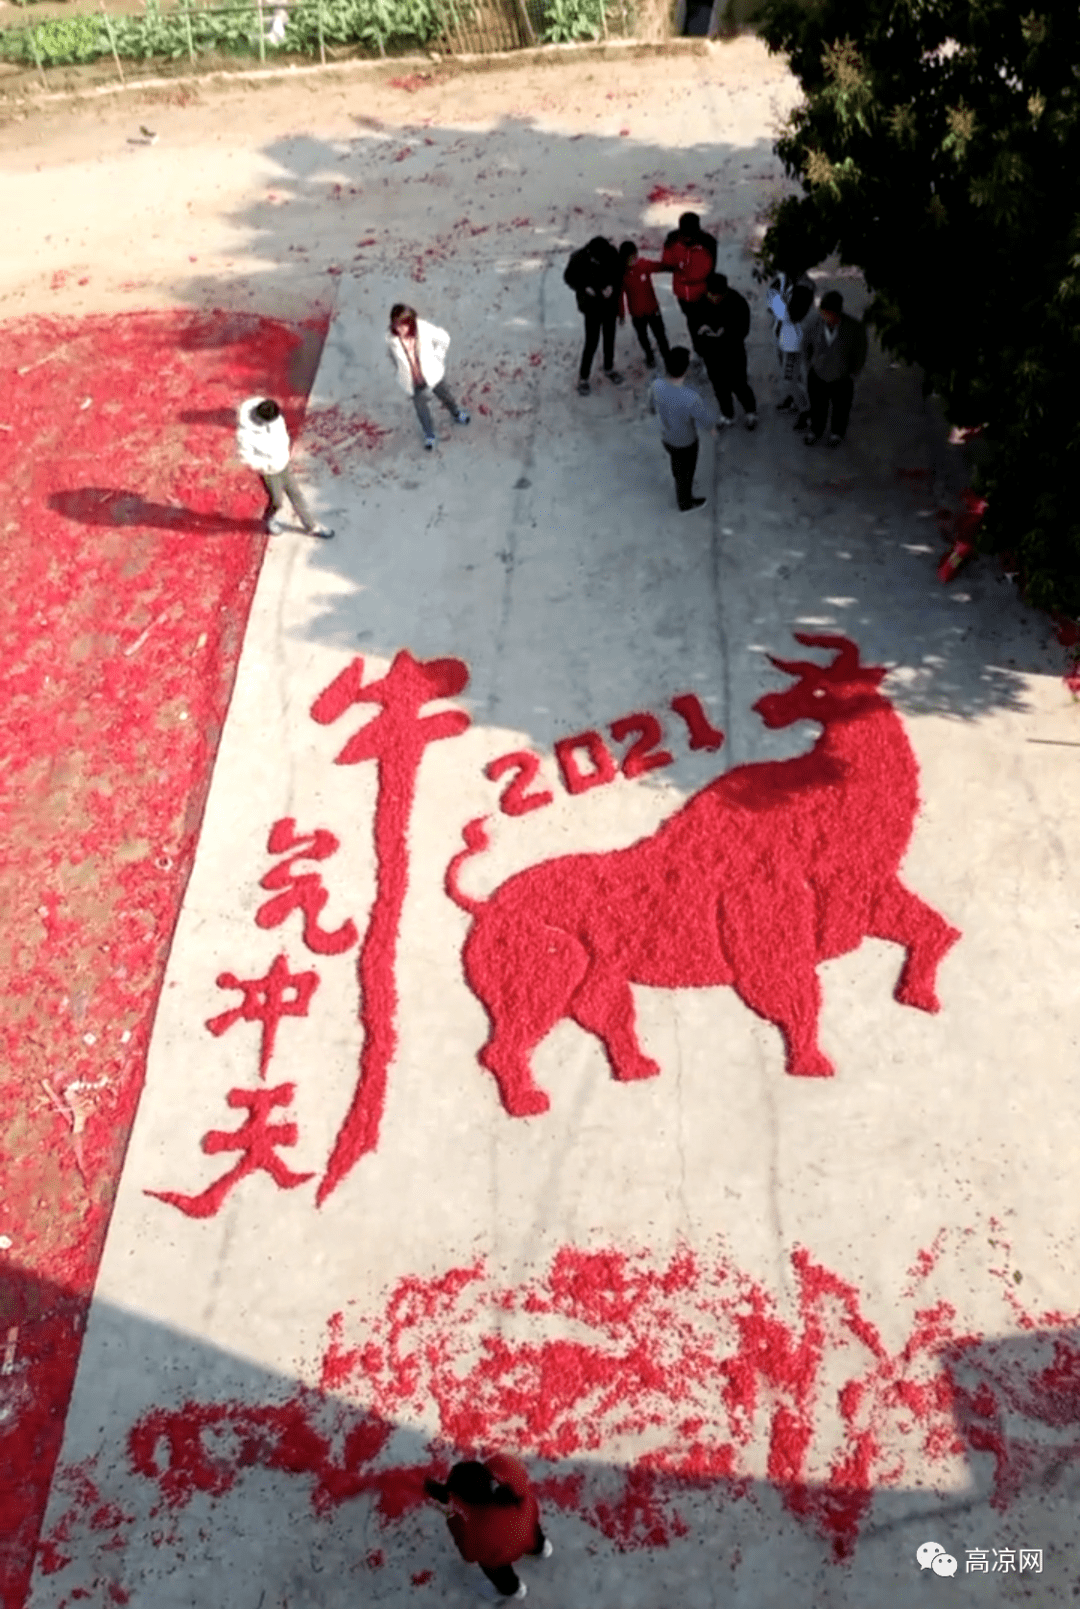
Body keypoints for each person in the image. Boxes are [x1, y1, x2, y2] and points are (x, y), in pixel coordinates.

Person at [425, 1458, 551, 1601]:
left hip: (502, 1554)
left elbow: (469, 1555)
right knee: (533, 1533)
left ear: (466, 1502)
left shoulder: (478, 1531)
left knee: (496, 1570)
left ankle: (513, 1589)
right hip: (529, 1528)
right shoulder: (507, 1470)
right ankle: (542, 1549)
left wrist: (452, 1519)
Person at [235, 396, 333, 539]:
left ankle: (311, 527)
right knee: (277, 501)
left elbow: (282, 434)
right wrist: (267, 465)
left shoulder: (275, 418)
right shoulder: (246, 435)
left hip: (283, 463)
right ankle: (269, 519)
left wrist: (283, 453)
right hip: (269, 471)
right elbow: (246, 457)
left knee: (296, 495)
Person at [387, 303, 470, 451]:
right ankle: (429, 435)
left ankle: (456, 413)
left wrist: (438, 357)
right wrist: (400, 372)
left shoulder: (423, 328)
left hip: (432, 375)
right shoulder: (391, 339)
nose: (399, 329)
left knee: (446, 397)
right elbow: (392, 357)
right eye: (396, 324)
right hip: (413, 382)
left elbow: (444, 338)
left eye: (402, 325)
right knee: (421, 411)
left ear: (410, 324)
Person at [647, 344, 718, 512]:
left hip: (667, 437)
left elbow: (651, 406)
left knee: (676, 462)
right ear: (686, 370)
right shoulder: (691, 398)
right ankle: (685, 501)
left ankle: (679, 479)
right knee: (687, 469)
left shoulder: (656, 385)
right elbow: (704, 419)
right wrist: (713, 431)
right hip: (686, 441)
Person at [802, 289, 868, 447]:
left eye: (828, 313)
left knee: (841, 407)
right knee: (818, 406)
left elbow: (860, 352)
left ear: (837, 312)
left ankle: (836, 433)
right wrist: (811, 362)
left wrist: (853, 372)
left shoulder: (854, 328)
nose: (824, 316)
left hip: (842, 376)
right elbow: (805, 346)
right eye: (822, 312)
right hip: (818, 374)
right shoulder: (814, 324)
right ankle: (816, 430)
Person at [693, 272, 758, 430]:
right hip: (712, 355)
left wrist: (726, 332)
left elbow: (743, 329)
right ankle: (728, 414)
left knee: (739, 384)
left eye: (717, 296)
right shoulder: (702, 302)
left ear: (725, 292)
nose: (713, 299)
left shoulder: (738, 303)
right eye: (711, 295)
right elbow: (695, 325)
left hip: (733, 352)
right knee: (719, 387)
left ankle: (750, 411)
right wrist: (702, 339)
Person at [563, 236, 624, 395]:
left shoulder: (611, 253)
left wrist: (612, 286)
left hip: (609, 304)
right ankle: (584, 377)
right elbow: (568, 277)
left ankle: (609, 367)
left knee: (609, 337)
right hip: (591, 306)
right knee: (592, 342)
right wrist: (584, 288)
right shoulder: (578, 258)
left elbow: (619, 271)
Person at [656, 211, 718, 341]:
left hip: (702, 292)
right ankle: (698, 347)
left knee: (707, 320)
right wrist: (668, 247)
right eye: (685, 235)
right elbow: (666, 263)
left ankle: (710, 346)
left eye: (690, 236)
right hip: (682, 294)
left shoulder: (707, 243)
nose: (687, 239)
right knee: (692, 321)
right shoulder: (673, 241)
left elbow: (710, 269)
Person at [767, 269, 814, 429]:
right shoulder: (784, 278)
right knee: (788, 373)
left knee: (789, 380)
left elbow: (790, 314)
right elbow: (772, 300)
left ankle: (805, 410)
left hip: (793, 342)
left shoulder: (805, 287)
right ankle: (794, 400)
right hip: (781, 335)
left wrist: (774, 301)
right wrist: (775, 301)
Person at [617, 240, 671, 370]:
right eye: (630, 258)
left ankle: (667, 357)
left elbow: (658, 266)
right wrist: (621, 315)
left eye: (635, 256)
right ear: (624, 259)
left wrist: (672, 267)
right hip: (637, 314)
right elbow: (620, 297)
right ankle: (649, 355)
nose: (634, 260)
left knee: (661, 335)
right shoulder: (622, 275)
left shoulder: (643, 264)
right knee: (643, 337)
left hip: (653, 309)